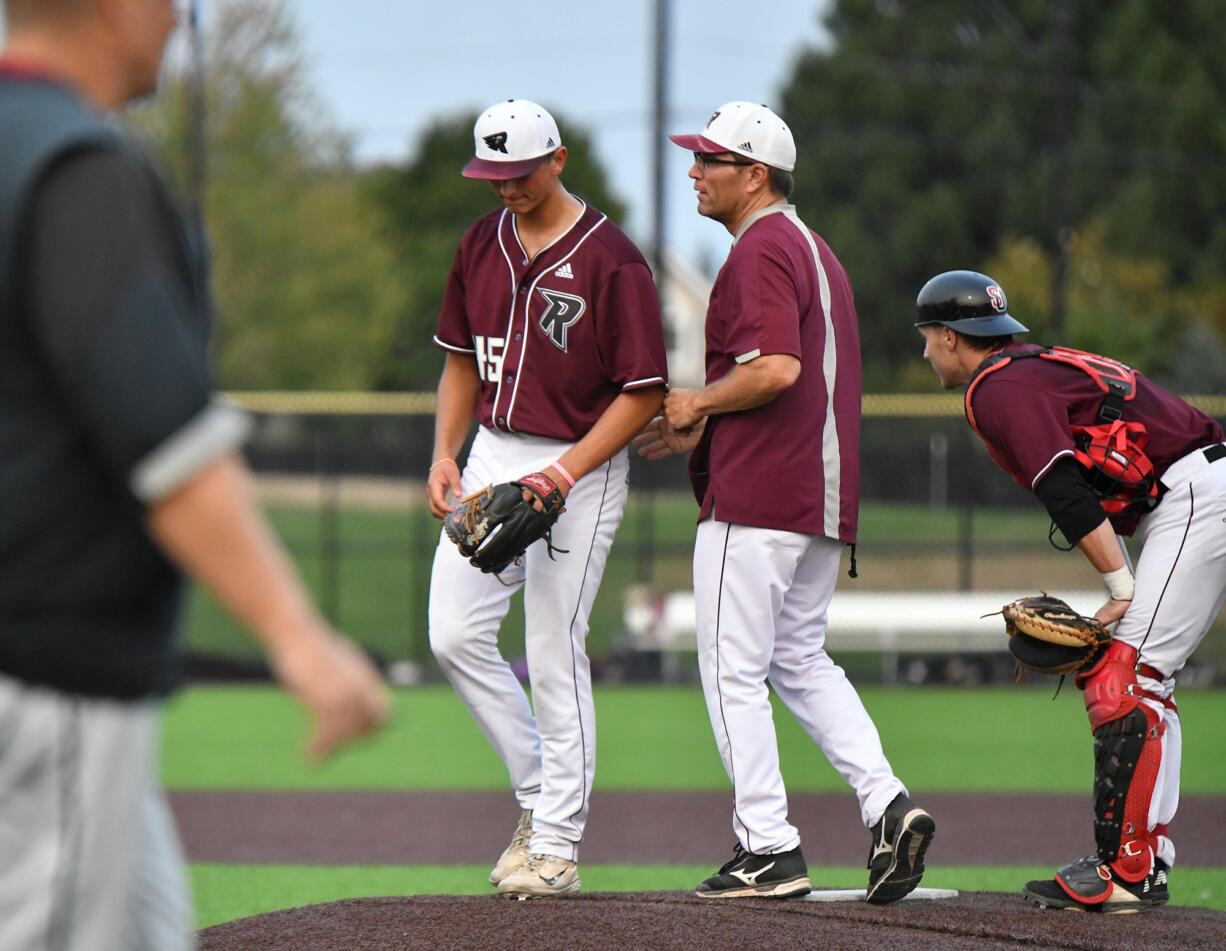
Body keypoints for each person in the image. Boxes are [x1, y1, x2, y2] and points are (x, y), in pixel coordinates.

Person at [0, 2, 390, 948]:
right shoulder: (77, 166)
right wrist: (297, 636)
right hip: (49, 675)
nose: (177, 17)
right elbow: (167, 443)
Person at [635, 101, 934, 903]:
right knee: (798, 659)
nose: (694, 172)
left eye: (711, 161)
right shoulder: (816, 251)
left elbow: (776, 371)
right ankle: (886, 802)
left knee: (731, 667)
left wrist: (696, 404)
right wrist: (705, 421)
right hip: (820, 498)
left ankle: (767, 845)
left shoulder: (762, 248)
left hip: (761, 496)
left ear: (755, 175)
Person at [914, 269, 1225, 913]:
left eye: (927, 337)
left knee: (1124, 677)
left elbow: (1062, 485)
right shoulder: (1028, 366)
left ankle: (1128, 871)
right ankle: (1144, 861)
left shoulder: (994, 388)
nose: (923, 351)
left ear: (949, 337)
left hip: (1198, 495)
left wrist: (1118, 586)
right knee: (1148, 679)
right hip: (1199, 487)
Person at [426, 98, 667, 899]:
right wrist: (445, 455)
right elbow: (461, 361)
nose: (506, 188)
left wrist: (562, 476)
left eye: (520, 173)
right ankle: (537, 794)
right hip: (494, 449)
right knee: (453, 633)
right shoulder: (478, 243)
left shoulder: (613, 260)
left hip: (582, 461)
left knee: (555, 650)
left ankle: (558, 842)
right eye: (492, 175)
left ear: (558, 160)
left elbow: (641, 394)